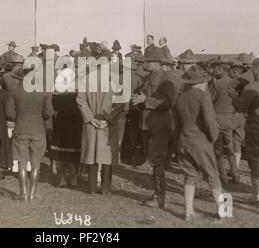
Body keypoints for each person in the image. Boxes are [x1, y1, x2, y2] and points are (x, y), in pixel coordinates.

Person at [174, 65, 224, 221]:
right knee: (213, 175)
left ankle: (188, 211)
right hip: (200, 141)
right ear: (199, 83)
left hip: (183, 141)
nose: (206, 84)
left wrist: (178, 142)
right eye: (204, 82)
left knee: (189, 176)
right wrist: (213, 137)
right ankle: (224, 211)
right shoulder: (202, 96)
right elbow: (209, 120)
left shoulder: (180, 98)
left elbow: (175, 125)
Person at [131, 47, 177, 208]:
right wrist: (137, 101)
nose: (144, 63)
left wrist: (146, 100)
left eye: (147, 61)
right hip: (146, 123)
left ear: (156, 62)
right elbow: (142, 98)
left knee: (157, 160)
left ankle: (159, 197)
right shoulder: (147, 77)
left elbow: (168, 103)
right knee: (153, 159)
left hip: (159, 124)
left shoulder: (167, 79)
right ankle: (158, 193)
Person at [230, 55, 259, 205]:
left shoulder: (251, 87)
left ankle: (257, 195)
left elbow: (241, 107)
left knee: (255, 161)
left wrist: (233, 96)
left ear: (256, 70)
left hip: (255, 129)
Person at [76, 57, 124, 195]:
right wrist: (108, 120)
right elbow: (120, 103)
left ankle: (91, 188)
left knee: (92, 154)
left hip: (91, 121)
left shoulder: (86, 79)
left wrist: (90, 118)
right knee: (107, 156)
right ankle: (105, 188)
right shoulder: (114, 79)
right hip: (108, 122)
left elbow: (80, 100)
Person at [10, 67, 54, 201]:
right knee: (36, 163)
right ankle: (33, 193)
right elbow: (49, 113)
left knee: (22, 162)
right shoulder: (44, 91)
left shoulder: (15, 90)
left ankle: (22, 193)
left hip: (21, 128)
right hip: (38, 129)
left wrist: (19, 116)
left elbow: (9, 113)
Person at [208, 56, 240, 184]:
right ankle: (236, 174)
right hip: (230, 118)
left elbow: (209, 101)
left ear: (220, 68)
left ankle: (223, 176)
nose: (214, 70)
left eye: (215, 68)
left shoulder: (216, 83)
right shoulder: (235, 83)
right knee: (229, 147)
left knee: (218, 149)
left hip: (217, 118)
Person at [51, 68, 82, 187]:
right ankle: (74, 178)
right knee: (74, 153)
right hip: (75, 123)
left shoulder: (57, 93)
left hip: (62, 123)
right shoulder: (79, 92)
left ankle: (63, 178)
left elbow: (54, 107)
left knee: (61, 153)